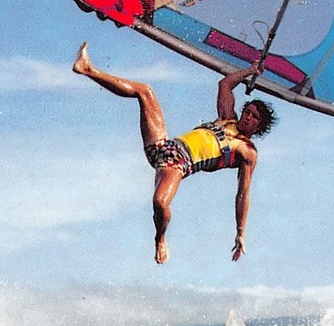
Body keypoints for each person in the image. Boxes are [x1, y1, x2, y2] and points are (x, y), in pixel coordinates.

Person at [72, 42, 276, 265]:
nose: (247, 116)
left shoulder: (247, 152)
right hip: (163, 146)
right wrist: (251, 70)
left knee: (160, 203)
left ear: (260, 126)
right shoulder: (227, 117)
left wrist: (240, 232)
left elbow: (243, 193)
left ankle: (160, 238)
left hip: (178, 165)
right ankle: (87, 69)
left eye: (254, 116)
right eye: (247, 111)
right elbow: (225, 84)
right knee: (145, 91)